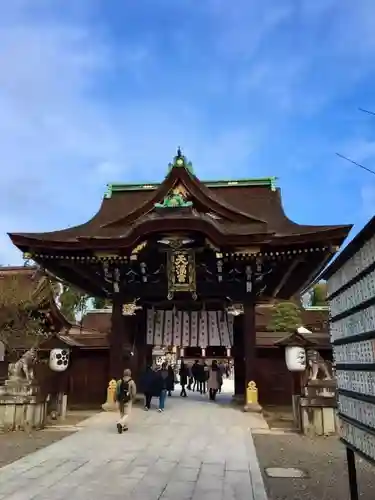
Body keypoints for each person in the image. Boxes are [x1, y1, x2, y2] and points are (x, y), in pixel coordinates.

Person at [115, 368, 137, 433]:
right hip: (128, 400)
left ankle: (124, 426)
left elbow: (116, 391)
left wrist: (116, 399)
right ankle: (120, 423)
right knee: (127, 414)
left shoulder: (119, 381)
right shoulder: (132, 382)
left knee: (122, 413)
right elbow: (134, 392)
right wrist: (133, 398)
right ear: (130, 374)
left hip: (120, 400)